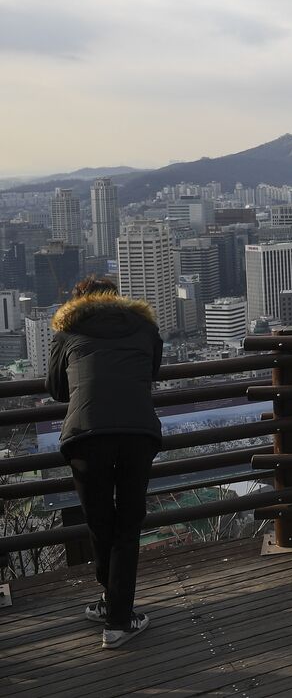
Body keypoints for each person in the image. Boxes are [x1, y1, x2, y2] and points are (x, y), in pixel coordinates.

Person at [46, 276, 163, 648]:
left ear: (78, 302)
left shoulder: (66, 333)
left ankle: (114, 613)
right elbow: (151, 373)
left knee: (100, 522)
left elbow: (56, 389)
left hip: (87, 436)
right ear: (118, 299)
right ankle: (115, 614)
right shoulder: (145, 328)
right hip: (137, 432)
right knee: (128, 525)